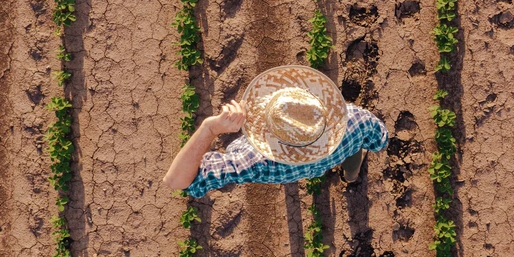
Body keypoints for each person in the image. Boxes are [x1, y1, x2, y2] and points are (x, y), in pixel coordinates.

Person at [163, 65, 388, 198]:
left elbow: (177, 181)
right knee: (354, 151)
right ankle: (351, 176)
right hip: (343, 147)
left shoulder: (255, 162)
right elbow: (379, 140)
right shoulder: (357, 119)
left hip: (285, 171)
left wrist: (209, 128)